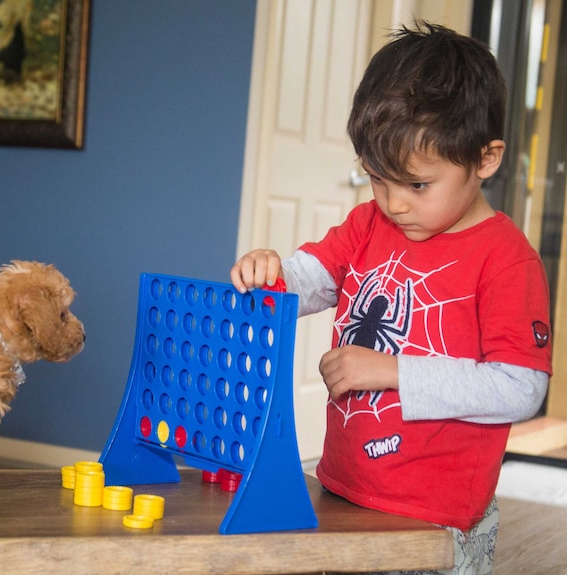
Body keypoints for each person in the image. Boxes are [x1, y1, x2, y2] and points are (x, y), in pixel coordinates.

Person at [230, 22, 552, 575]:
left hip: (436, 516)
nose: (394, 203)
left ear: (486, 158)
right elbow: (316, 277)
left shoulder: (507, 260)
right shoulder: (369, 221)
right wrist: (272, 273)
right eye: (379, 179)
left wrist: (392, 371)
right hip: (344, 481)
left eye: (417, 185)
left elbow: (520, 388)